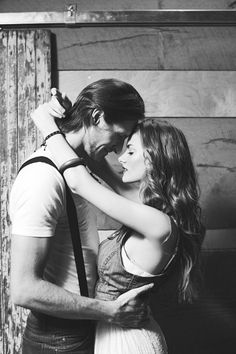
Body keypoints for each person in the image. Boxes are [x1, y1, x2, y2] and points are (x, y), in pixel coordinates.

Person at [30, 91, 205, 354]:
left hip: (131, 343)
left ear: (155, 158)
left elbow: (79, 181)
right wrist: (76, 120)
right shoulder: (144, 204)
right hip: (116, 335)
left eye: (131, 150)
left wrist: (47, 125)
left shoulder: (158, 223)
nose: (120, 157)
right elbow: (95, 166)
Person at [9, 79, 153, 354]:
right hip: (58, 340)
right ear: (98, 117)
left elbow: (132, 199)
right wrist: (109, 311)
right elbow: (24, 289)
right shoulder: (42, 178)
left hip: (86, 327)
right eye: (120, 135)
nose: (118, 148)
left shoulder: (80, 170)